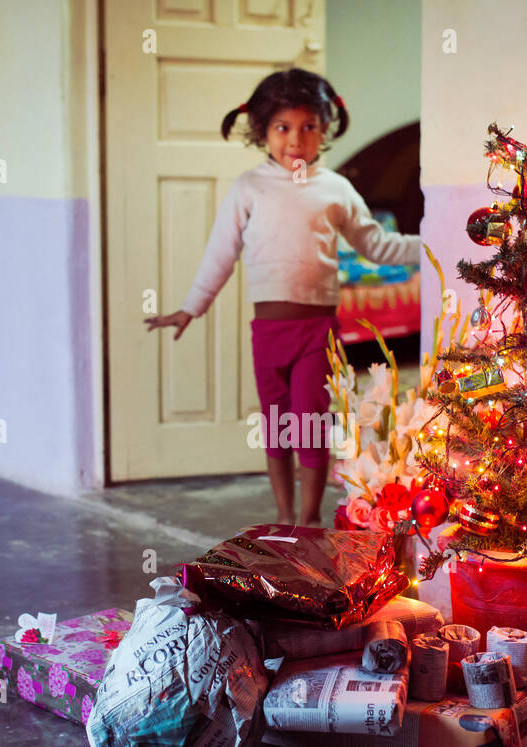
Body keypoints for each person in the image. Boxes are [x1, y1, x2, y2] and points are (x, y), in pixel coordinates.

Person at [145, 68, 420, 527]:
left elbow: (379, 246)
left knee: (310, 426)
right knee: (275, 428)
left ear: (324, 129)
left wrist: (432, 240)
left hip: (318, 332)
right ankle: (283, 518)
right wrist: (191, 307)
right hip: (268, 332)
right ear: (263, 131)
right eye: (283, 127)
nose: (296, 139)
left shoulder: (335, 189)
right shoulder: (247, 189)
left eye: (308, 126)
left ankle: (308, 522)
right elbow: (220, 254)